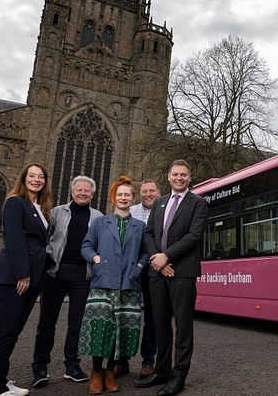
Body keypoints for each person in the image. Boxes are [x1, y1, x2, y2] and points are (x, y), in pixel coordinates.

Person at [79, 175, 171, 394]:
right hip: (103, 282)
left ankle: (110, 372)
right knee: (101, 329)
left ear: (132, 199)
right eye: (120, 195)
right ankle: (96, 372)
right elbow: (86, 246)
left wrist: (139, 266)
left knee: (121, 330)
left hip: (129, 284)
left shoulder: (140, 226)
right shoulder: (100, 222)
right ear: (114, 198)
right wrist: (95, 258)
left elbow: (144, 251)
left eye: (127, 195)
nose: (123, 198)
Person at [135, 160, 207, 396]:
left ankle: (179, 376)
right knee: (159, 324)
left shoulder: (198, 203)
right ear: (168, 176)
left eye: (183, 175)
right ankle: (162, 370)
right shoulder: (159, 202)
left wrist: (166, 257)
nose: (179, 178)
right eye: (175, 174)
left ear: (189, 177)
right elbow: (149, 233)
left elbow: (194, 236)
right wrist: (157, 258)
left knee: (183, 326)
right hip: (158, 272)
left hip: (182, 273)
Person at [0, 163, 52, 396]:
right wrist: (22, 273)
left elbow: (39, 245)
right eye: (32, 176)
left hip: (31, 279)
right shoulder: (15, 202)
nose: (36, 180)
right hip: (14, 278)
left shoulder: (39, 208)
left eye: (40, 176)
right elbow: (14, 239)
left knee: (11, 332)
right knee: (2, 333)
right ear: (23, 178)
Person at [31, 176, 103, 388]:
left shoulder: (98, 217)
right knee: (46, 322)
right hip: (56, 273)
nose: (82, 193)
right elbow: (46, 238)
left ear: (92, 193)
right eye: (79, 189)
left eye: (87, 190)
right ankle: (40, 366)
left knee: (77, 324)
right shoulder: (56, 212)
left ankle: (72, 365)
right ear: (72, 192)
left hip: (83, 274)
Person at [115, 179, 162, 379]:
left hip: (156, 270)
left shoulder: (165, 210)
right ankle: (122, 361)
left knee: (152, 319)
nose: (148, 194)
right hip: (133, 270)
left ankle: (148, 362)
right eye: (144, 191)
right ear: (139, 194)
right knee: (126, 315)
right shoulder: (131, 211)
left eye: (152, 191)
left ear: (159, 192)